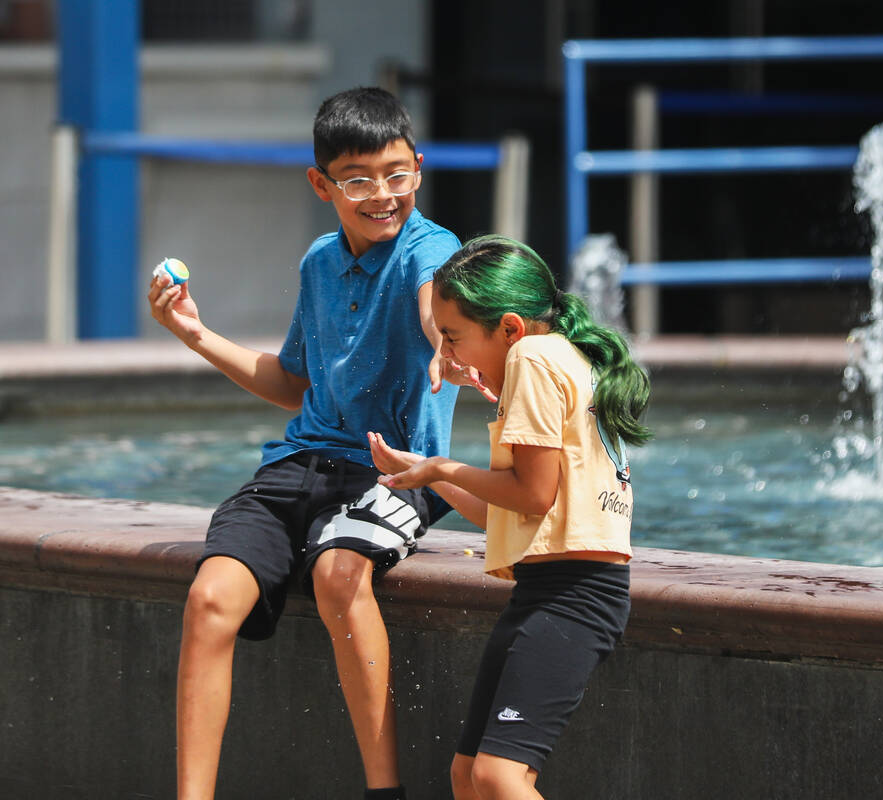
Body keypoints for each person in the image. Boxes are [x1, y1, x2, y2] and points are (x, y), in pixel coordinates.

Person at [148, 87, 491, 800]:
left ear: (418, 170)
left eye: (397, 175)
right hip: (296, 466)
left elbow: (435, 306)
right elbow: (294, 383)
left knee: (339, 574)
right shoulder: (317, 263)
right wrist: (194, 333)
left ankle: (383, 792)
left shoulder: (435, 250)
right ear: (322, 184)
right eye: (359, 180)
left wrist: (444, 349)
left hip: (398, 472)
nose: (382, 195)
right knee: (210, 598)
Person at [368, 235, 651, 799]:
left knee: (497, 777)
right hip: (549, 588)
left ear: (510, 328)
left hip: (574, 593)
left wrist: (440, 466)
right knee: (469, 775)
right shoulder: (559, 355)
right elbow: (511, 511)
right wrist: (433, 474)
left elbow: (533, 495)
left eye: (452, 337)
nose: (447, 355)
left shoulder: (534, 359)